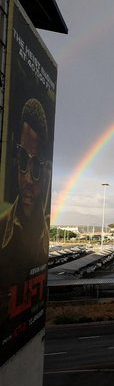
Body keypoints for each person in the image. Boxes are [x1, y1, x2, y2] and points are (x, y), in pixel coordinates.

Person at [0, 97, 50, 293]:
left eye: (36, 166)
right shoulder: (2, 228)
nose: (28, 178)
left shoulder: (45, 242)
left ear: (46, 172)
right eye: (23, 159)